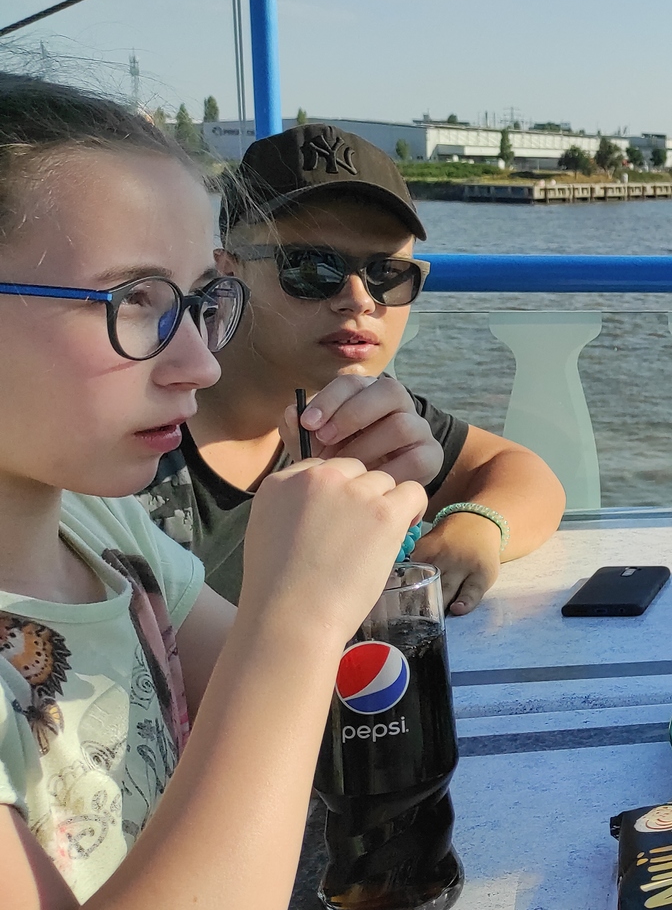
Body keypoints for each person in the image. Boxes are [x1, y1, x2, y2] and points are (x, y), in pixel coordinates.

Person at [0, 73, 422, 907]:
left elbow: (307, 722)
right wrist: (295, 619)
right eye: (134, 299)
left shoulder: (103, 533)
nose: (199, 362)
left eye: (199, 302)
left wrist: (350, 529)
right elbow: (278, 668)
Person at [138, 123, 564, 615]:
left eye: (387, 272)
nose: (359, 299)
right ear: (228, 271)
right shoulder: (141, 437)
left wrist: (475, 527)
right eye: (310, 267)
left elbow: (523, 473)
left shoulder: (351, 407)